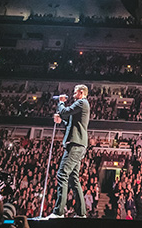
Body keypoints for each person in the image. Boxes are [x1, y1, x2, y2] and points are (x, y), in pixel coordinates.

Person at [46, 84, 90, 219]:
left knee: (62, 175)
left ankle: (58, 212)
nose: (73, 94)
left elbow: (65, 112)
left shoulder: (82, 102)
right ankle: (81, 213)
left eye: (75, 92)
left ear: (81, 92)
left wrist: (60, 103)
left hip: (75, 145)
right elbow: (70, 121)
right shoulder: (80, 105)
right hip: (78, 144)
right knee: (73, 178)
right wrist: (61, 120)